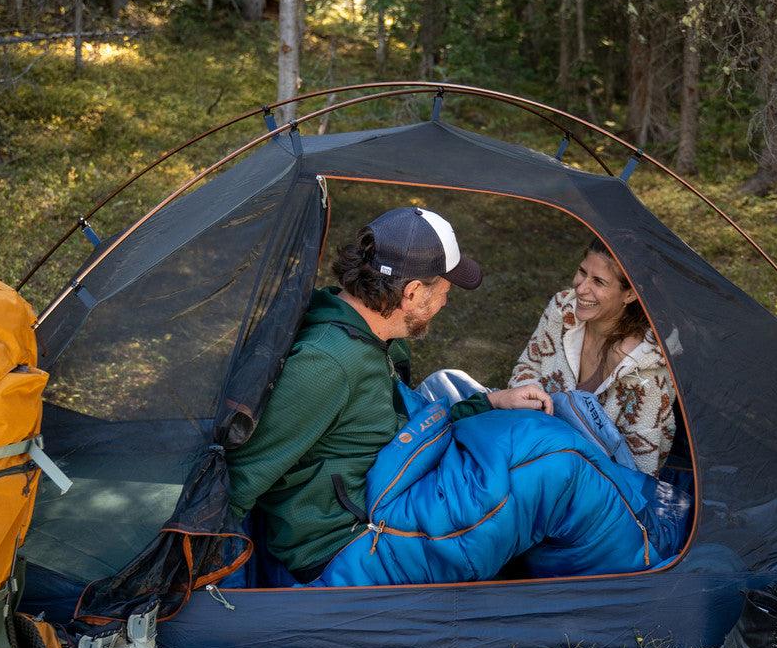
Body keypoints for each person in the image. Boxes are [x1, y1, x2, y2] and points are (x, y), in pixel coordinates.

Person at [227, 207, 553, 583]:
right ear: (413, 293)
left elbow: (397, 426)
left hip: (382, 500)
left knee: (533, 465)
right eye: (445, 292)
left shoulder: (370, 335)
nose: (446, 303)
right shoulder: (327, 363)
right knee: (550, 474)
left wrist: (490, 403)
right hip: (345, 547)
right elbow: (239, 477)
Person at [509, 238, 676, 476]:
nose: (580, 288)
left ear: (629, 295)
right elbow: (528, 366)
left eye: (598, 281)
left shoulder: (647, 372)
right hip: (531, 440)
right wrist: (531, 412)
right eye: (582, 272)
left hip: (590, 481)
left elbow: (640, 470)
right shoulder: (562, 309)